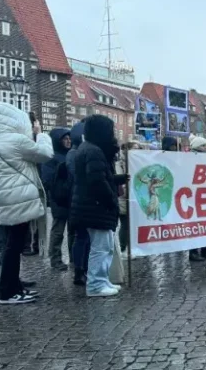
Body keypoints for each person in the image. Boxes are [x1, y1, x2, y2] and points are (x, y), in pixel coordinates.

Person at [0, 102, 53, 304]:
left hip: (5, 198)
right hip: (19, 198)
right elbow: (45, 154)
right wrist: (40, 134)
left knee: (11, 244)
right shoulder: (15, 140)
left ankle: (15, 287)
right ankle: (8, 292)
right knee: (14, 246)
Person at [70, 115, 126, 297]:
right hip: (96, 207)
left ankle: (102, 280)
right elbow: (97, 181)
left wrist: (119, 179)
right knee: (100, 248)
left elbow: (100, 176)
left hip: (91, 206)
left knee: (105, 246)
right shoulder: (94, 151)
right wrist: (110, 200)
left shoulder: (89, 148)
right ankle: (96, 284)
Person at [40, 128, 72, 271]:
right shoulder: (51, 157)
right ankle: (55, 258)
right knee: (58, 230)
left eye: (69, 138)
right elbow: (47, 179)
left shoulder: (71, 154)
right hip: (59, 198)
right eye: (65, 139)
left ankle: (73, 258)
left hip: (71, 197)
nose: (68, 141)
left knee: (72, 231)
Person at [66, 121, 90, 286]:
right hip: (80, 199)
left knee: (83, 237)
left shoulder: (74, 153)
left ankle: (82, 268)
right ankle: (79, 270)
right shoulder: (74, 154)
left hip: (79, 199)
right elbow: (78, 177)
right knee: (81, 236)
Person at [117, 141, 140, 253]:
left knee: (134, 226)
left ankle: (133, 248)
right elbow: (121, 185)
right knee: (125, 225)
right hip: (124, 200)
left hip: (135, 200)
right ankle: (123, 248)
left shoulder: (137, 162)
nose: (137, 151)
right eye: (135, 149)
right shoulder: (120, 164)